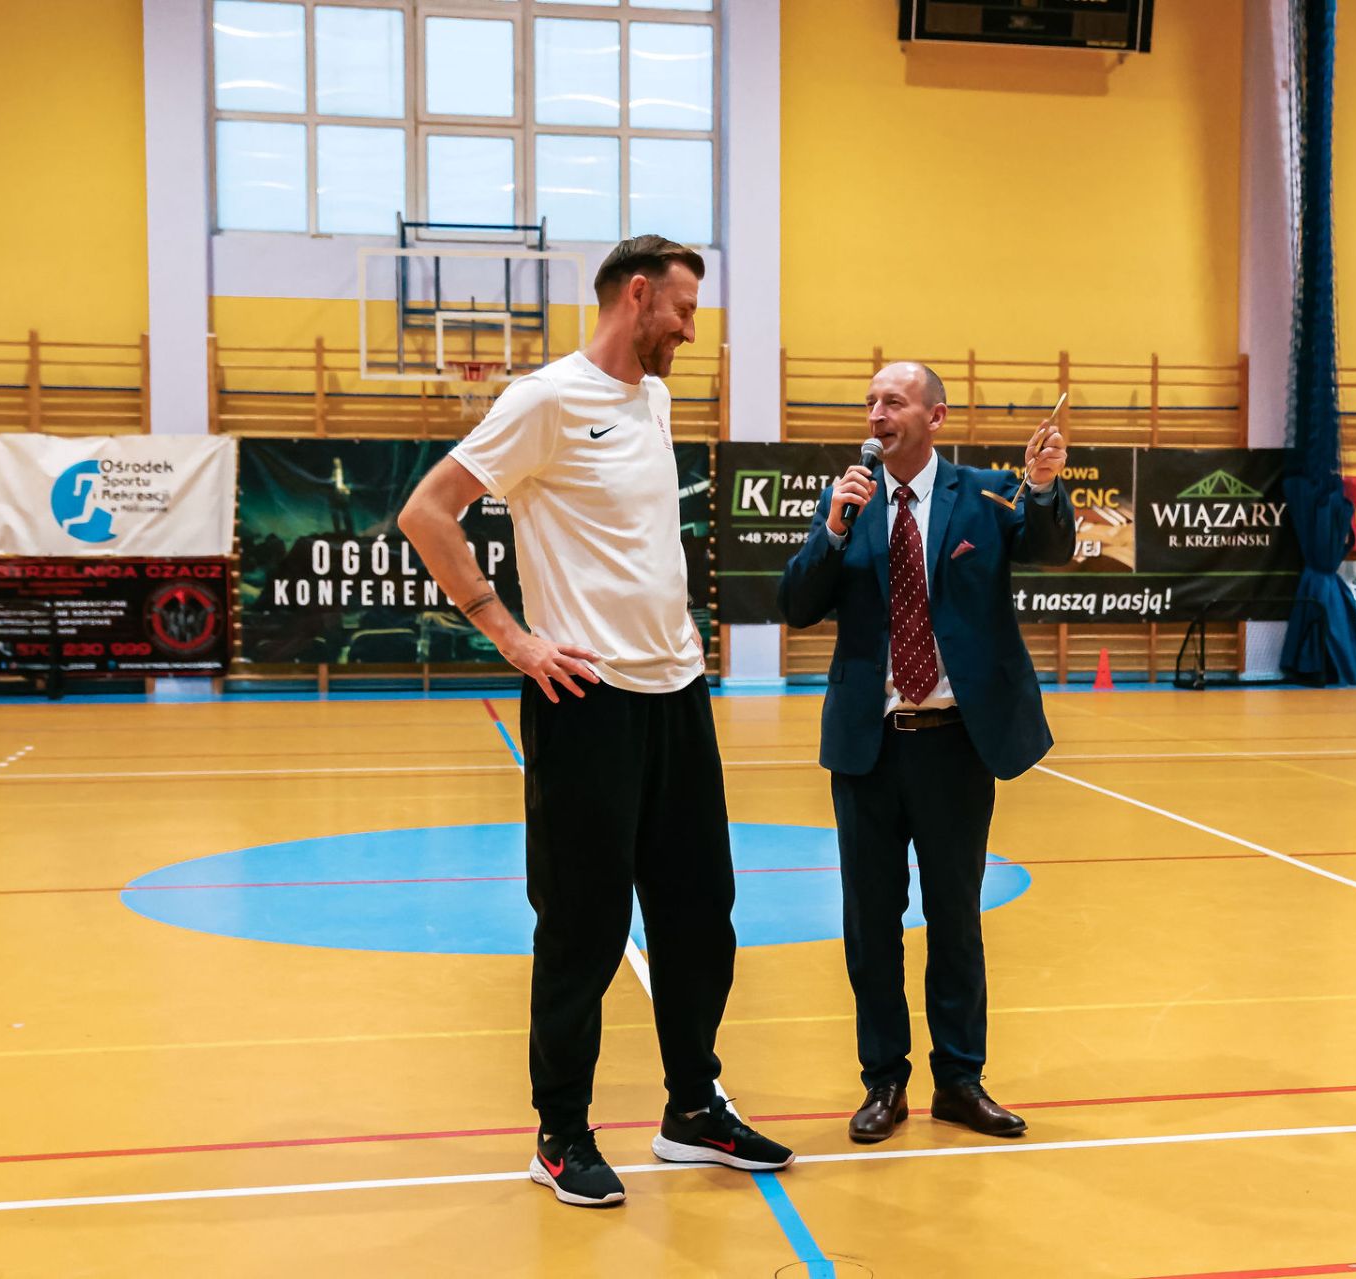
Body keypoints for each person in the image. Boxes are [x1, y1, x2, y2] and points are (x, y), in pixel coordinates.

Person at [397, 235, 792, 1209]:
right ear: (639, 295)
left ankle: (692, 1109)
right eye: (684, 310)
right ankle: (561, 1133)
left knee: (700, 916)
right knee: (583, 927)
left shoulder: (652, 399)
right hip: (585, 702)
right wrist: (512, 636)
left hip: (679, 696)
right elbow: (427, 513)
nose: (691, 330)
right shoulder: (544, 400)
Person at [777, 362, 1072, 1145]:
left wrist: (1044, 486)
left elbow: (1050, 548)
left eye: (894, 401)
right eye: (870, 402)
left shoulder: (986, 494)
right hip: (868, 748)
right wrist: (833, 530)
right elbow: (796, 603)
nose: (877, 414)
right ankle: (884, 1080)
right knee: (870, 925)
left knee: (955, 918)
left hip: (955, 745)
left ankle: (960, 1080)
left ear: (935, 417)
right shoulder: (847, 499)